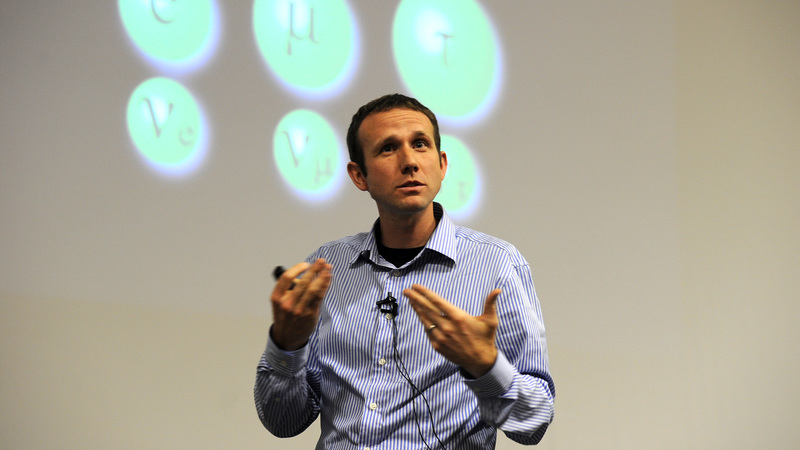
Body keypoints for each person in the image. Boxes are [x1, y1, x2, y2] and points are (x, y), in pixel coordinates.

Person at [255, 94, 555, 449]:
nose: (410, 161)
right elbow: (283, 422)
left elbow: (533, 424)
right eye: (387, 149)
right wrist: (287, 346)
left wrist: (486, 367)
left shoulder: (497, 265)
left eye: (420, 144)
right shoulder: (327, 270)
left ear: (442, 165)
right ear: (359, 175)